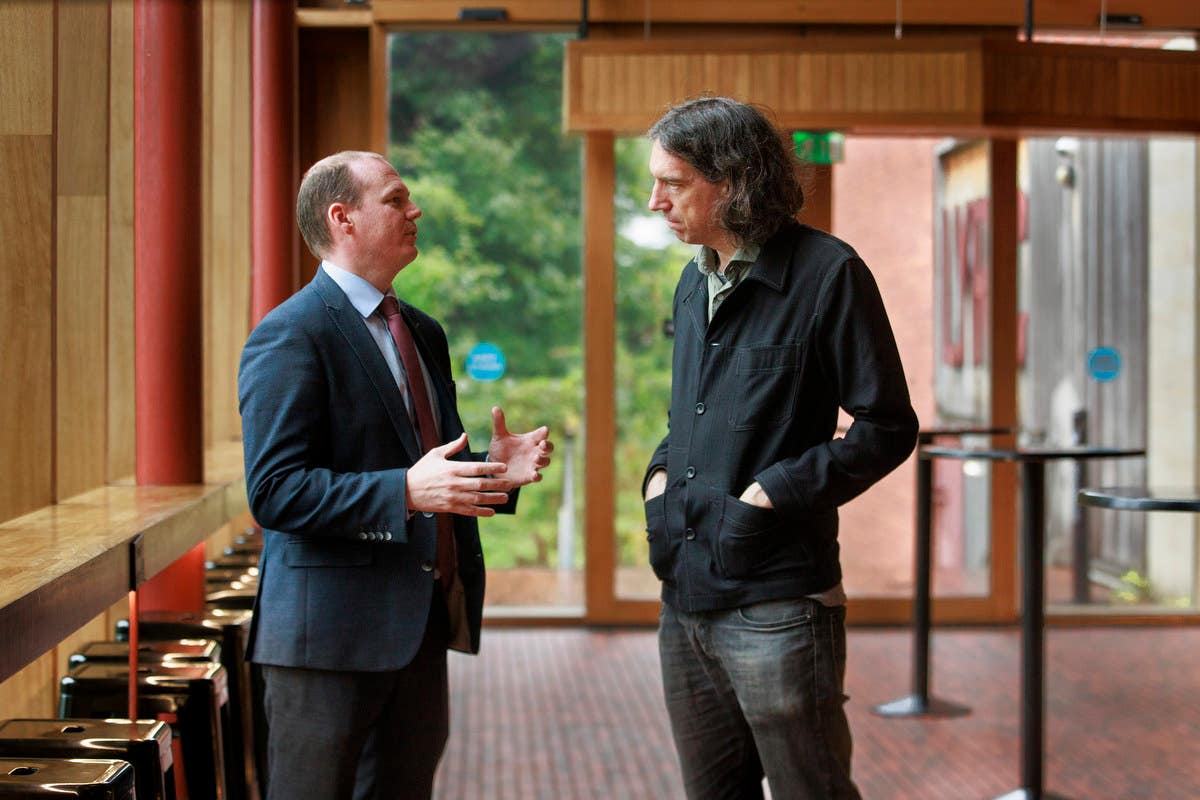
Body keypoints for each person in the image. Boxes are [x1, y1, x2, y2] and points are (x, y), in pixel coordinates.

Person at [238, 150, 553, 800]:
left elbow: (426, 467)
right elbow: (273, 491)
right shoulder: (291, 335)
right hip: (324, 641)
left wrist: (495, 473)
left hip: (417, 630)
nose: (415, 211)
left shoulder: (420, 331)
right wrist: (404, 492)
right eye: (395, 199)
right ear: (342, 218)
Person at [642, 97, 918, 799]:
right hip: (685, 599)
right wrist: (657, 487)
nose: (654, 202)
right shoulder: (692, 278)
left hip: (780, 608)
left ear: (731, 181)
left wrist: (770, 496)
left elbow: (887, 426)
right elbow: (691, 417)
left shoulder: (830, 273)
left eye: (671, 184)